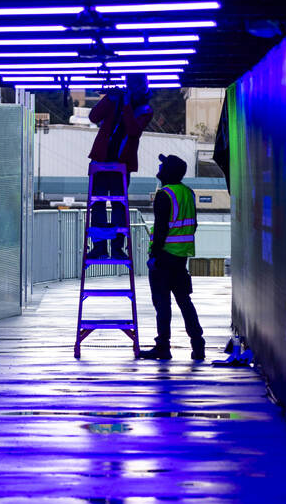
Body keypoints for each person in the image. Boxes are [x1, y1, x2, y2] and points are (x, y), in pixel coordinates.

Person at [140, 153, 206, 361]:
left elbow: (160, 230)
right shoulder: (188, 193)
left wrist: (154, 256)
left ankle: (163, 347)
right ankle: (198, 344)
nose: (159, 167)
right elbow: (193, 224)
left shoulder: (164, 195)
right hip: (181, 257)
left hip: (164, 256)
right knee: (184, 300)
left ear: (167, 172)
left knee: (162, 303)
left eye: (162, 165)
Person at [87, 75, 152, 260]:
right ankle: (99, 246)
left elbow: (133, 131)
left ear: (143, 87)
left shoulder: (144, 108)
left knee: (118, 206)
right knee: (97, 205)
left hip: (121, 165)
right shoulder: (118, 100)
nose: (131, 88)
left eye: (135, 84)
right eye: (129, 84)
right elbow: (94, 116)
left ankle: (117, 247)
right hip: (101, 161)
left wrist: (125, 105)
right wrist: (109, 98)